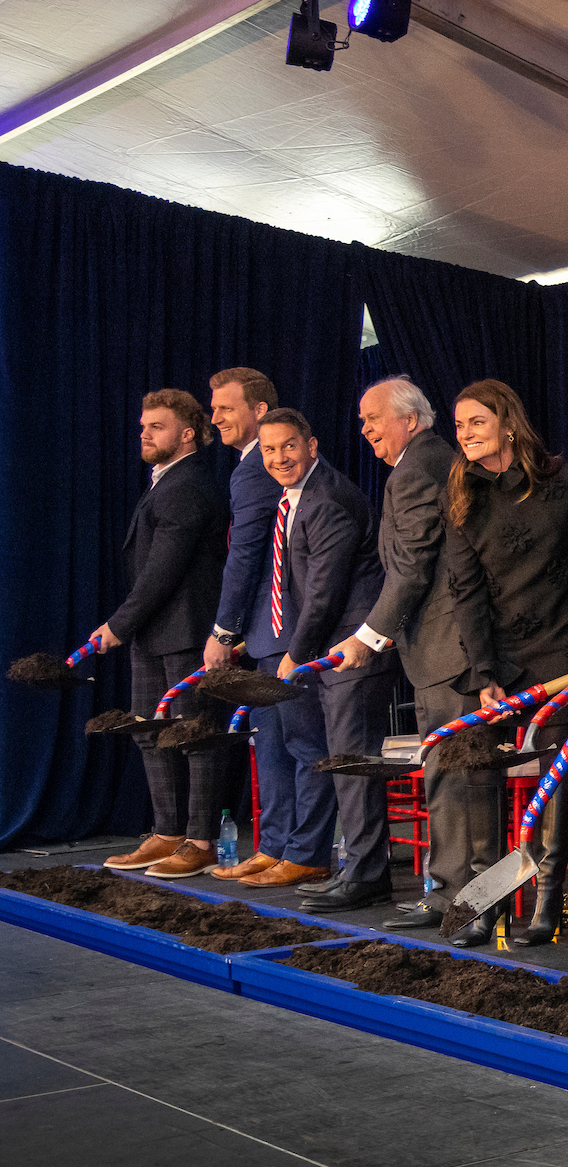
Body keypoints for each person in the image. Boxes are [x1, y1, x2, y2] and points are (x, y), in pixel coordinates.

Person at [440, 380, 568, 947]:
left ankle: (550, 901)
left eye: (476, 423)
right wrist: (484, 674)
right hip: (500, 661)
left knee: (554, 777)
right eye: (459, 425)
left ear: (508, 423)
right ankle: (487, 903)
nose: (464, 434)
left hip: (565, 650)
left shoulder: (561, 478)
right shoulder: (462, 492)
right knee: (478, 772)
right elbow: (466, 592)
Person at [321, 378, 481, 923]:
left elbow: (413, 566)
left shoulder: (417, 469)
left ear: (410, 420)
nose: (363, 429)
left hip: (448, 651)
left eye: (373, 417)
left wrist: (368, 636)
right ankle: (459, 893)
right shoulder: (425, 461)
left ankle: (454, 896)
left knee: (452, 773)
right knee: (453, 771)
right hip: (438, 648)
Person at [228, 409, 394, 892]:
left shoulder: (328, 499)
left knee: (342, 761)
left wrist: (294, 654)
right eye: (269, 450)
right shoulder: (295, 496)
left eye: (289, 446)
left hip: (348, 651)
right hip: (322, 647)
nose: (279, 458)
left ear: (312, 445)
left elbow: (324, 592)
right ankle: (318, 859)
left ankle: (344, 869)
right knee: (320, 754)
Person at [98, 390, 231, 878]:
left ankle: (200, 840)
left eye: (156, 426)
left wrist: (118, 624)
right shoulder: (164, 483)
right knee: (149, 735)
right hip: (154, 634)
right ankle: (168, 833)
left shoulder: (190, 484)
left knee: (195, 736)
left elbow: (164, 571)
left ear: (187, 433)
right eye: (142, 426)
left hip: (188, 632)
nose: (145, 434)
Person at [197, 367, 287, 881]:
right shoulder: (248, 467)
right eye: (214, 410)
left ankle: (289, 852)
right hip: (265, 627)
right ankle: (277, 849)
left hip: (278, 628)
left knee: (281, 742)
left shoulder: (255, 469)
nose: (216, 418)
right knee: (272, 740)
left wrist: (224, 630)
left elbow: (248, 554)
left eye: (226, 409)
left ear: (259, 412)